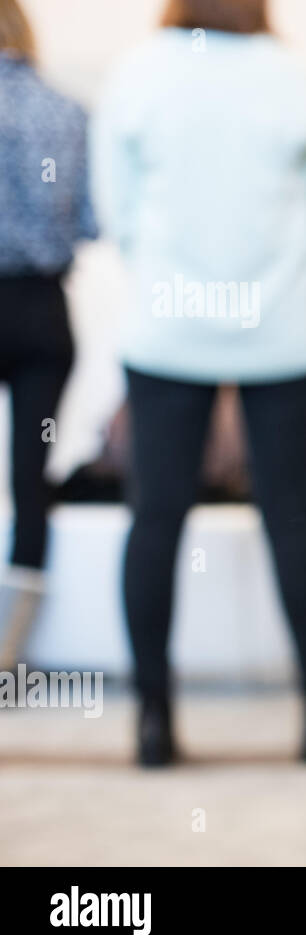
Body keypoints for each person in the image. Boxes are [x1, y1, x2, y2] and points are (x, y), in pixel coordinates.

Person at [92, 0, 306, 765]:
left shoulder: (136, 74)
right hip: (282, 328)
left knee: (156, 518)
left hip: (165, 327)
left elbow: (117, 213)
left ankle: (153, 722)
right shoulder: (296, 78)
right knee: (290, 517)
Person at [0, 0, 97, 672]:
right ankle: (7, 657)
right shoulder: (68, 111)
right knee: (30, 481)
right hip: (41, 311)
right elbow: (90, 222)